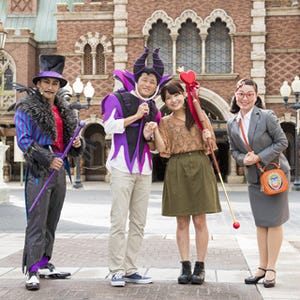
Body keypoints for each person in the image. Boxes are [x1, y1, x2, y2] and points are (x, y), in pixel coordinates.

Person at [14, 55, 85, 291]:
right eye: (46, 82)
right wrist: (47, 158)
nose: (50, 87)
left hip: (59, 170)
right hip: (39, 169)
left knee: (52, 219)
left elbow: (68, 140)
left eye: (54, 83)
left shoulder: (63, 110)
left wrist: (76, 145)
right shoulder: (27, 108)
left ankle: (44, 262)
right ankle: (32, 269)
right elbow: (24, 141)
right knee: (37, 220)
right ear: (38, 83)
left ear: (59, 86)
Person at [101, 47, 170, 287]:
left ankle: (130, 268)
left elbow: (153, 147)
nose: (149, 84)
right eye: (145, 79)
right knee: (119, 220)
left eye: (153, 81)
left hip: (144, 170)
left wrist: (151, 133)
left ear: (156, 85)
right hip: (121, 166)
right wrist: (135, 117)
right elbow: (108, 127)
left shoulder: (154, 108)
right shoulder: (117, 98)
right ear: (137, 80)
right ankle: (116, 269)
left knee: (139, 222)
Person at [144, 80, 221, 285]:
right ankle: (185, 265)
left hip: (199, 165)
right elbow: (164, 151)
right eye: (168, 98)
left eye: (176, 95)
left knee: (199, 221)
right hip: (177, 167)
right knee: (181, 221)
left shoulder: (198, 115)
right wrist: (156, 131)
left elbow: (211, 145)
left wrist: (207, 135)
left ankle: (200, 266)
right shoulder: (165, 122)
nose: (173, 100)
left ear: (184, 94)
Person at [227, 78, 290, 288]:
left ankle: (271, 268)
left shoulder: (266, 116)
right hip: (254, 178)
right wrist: (241, 159)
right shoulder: (231, 123)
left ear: (256, 96)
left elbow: (282, 142)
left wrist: (259, 157)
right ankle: (262, 267)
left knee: (274, 222)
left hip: (274, 175)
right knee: (261, 223)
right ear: (236, 96)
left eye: (249, 94)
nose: (245, 98)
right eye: (241, 94)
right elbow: (233, 150)